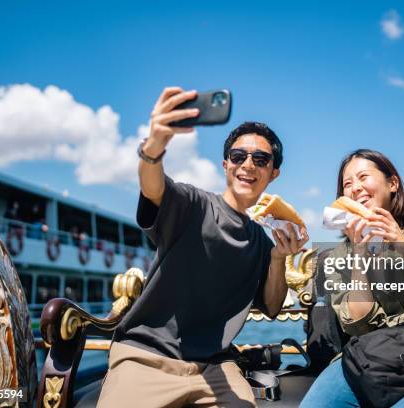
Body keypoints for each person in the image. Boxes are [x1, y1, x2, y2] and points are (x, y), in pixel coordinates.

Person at [97, 87, 309, 408]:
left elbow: (273, 306)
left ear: (273, 173)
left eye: (260, 159)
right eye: (238, 156)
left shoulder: (264, 241)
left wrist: (279, 258)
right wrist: (154, 146)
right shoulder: (193, 204)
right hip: (146, 356)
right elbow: (153, 186)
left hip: (216, 364)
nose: (248, 164)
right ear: (226, 165)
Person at [300, 149, 404, 408]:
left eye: (363, 177)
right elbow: (357, 323)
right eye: (347, 184)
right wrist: (359, 254)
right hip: (366, 360)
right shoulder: (340, 254)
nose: (355, 188)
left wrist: (403, 245)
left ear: (392, 183)